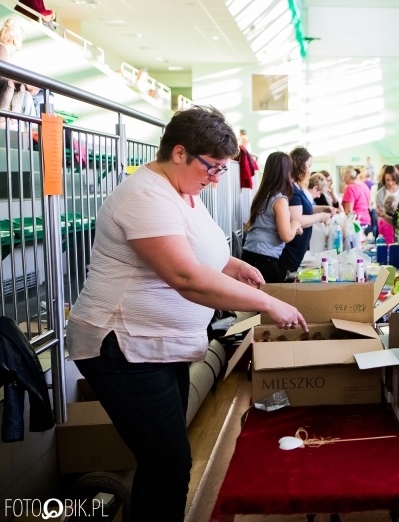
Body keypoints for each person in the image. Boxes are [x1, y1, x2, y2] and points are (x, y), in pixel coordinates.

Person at [65, 106, 307, 522]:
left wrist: (234, 265)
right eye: (211, 168)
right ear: (179, 152)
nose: (215, 180)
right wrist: (268, 303)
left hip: (159, 346)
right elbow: (184, 274)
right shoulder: (144, 195)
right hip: (123, 346)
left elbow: (199, 252)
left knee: (164, 462)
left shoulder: (185, 192)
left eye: (221, 171)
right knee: (168, 463)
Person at [242, 152, 303, 283]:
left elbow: (269, 225)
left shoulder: (262, 195)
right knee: (274, 297)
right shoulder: (279, 200)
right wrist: (295, 225)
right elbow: (286, 236)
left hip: (249, 251)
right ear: (286, 171)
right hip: (264, 257)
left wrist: (291, 228)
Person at [278, 147, 332, 279]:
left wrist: (322, 208)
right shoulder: (292, 189)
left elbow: (303, 210)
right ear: (300, 166)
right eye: (308, 166)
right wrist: (320, 217)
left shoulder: (297, 187)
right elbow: (298, 219)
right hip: (289, 252)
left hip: (296, 252)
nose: (309, 170)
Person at [0, 18, 38, 115]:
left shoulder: (6, 51)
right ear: (14, 39)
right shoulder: (2, 49)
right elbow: (2, 75)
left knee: (27, 95)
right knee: (27, 96)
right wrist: (27, 84)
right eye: (21, 38)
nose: (21, 41)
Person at [375, 165, 399, 243]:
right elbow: (380, 212)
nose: (390, 183)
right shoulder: (380, 193)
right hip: (386, 226)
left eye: (393, 180)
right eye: (387, 180)